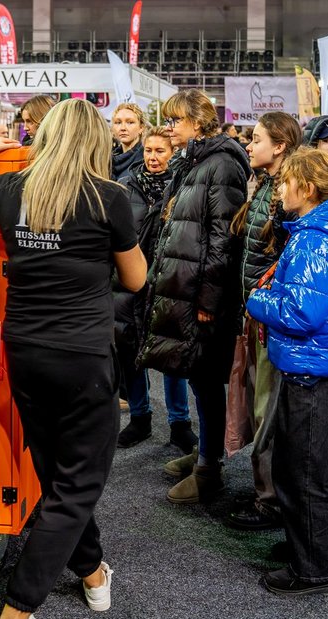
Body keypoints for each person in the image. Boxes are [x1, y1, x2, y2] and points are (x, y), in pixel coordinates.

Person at [0, 99, 147, 619]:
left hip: (26, 351)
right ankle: (13, 618)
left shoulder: (10, 188)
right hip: (83, 357)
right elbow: (137, 278)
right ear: (96, 143)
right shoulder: (110, 197)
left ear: (46, 135)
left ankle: (93, 573)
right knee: (76, 486)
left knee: (57, 475)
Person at [246, 147, 328, 596]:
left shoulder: (313, 241)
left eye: (285, 183)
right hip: (315, 366)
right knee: (313, 466)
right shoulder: (316, 233)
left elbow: (302, 314)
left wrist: (256, 300)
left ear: (308, 188)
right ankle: (318, 545)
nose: (279, 190)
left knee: (305, 472)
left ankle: (315, 569)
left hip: (310, 369)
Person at [138, 88, 252, 505]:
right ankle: (206, 450)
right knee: (198, 376)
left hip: (204, 295)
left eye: (175, 121)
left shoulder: (222, 164)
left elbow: (224, 238)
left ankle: (209, 469)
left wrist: (208, 299)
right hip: (187, 288)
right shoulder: (196, 160)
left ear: (199, 123)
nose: (169, 127)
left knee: (205, 377)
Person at [221, 112, 303, 531]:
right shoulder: (268, 184)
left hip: (272, 321)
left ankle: (272, 502)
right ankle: (268, 493)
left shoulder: (287, 192)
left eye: (256, 139)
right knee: (259, 407)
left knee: (268, 412)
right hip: (257, 315)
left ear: (280, 145)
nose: (249, 146)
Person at [115, 126, 195, 453]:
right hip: (129, 284)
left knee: (170, 355)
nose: (152, 157)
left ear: (172, 154)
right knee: (131, 352)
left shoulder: (183, 188)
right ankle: (139, 418)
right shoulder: (125, 187)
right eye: (148, 150)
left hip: (167, 283)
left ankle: (180, 423)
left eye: (160, 151)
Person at [110, 102, 146, 181]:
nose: (123, 128)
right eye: (118, 122)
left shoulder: (147, 159)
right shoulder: (108, 159)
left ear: (141, 127)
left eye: (130, 122)